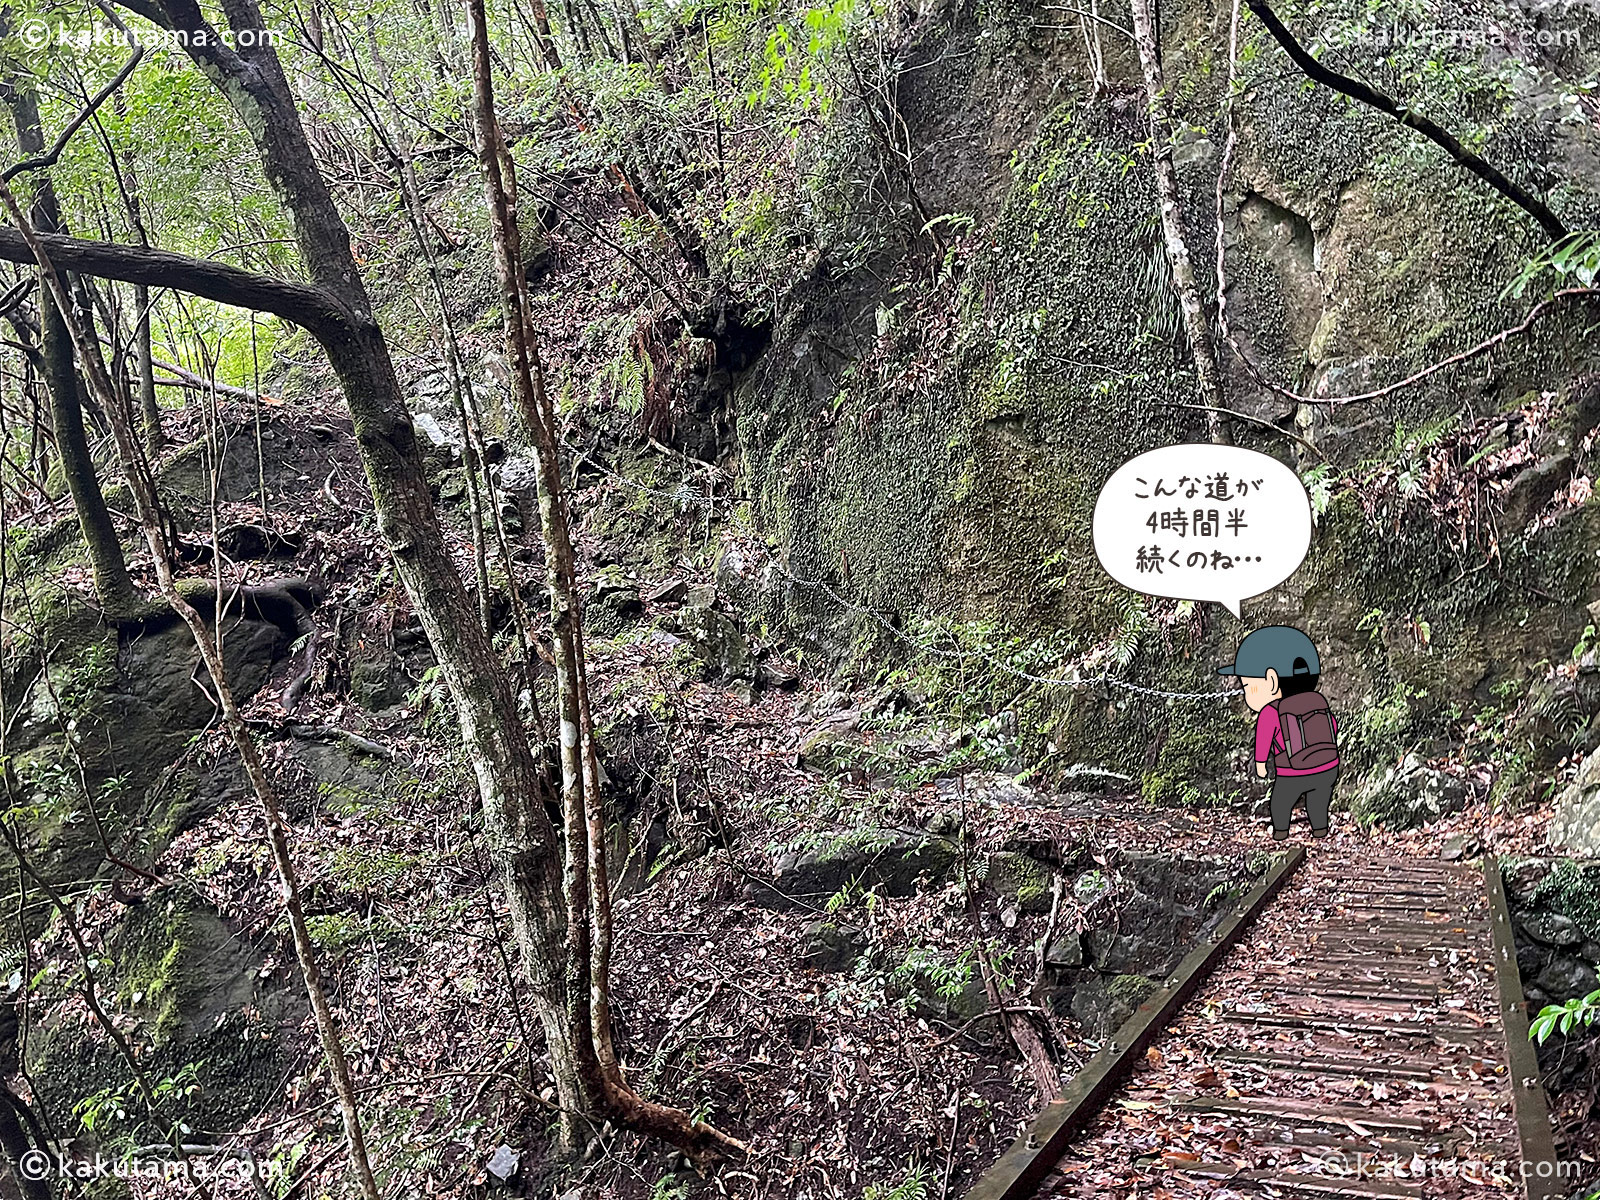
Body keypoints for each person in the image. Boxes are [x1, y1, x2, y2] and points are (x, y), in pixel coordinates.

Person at [1218, 626, 1340, 841]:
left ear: (1272, 681)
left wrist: (1261, 764)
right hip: (1328, 767)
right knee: (1317, 800)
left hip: (1293, 772)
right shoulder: (1317, 700)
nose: (1245, 692)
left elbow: (1263, 741)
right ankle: (1320, 829)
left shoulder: (1270, 711)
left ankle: (1280, 832)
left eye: (1248, 685)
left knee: (1281, 802)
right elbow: (1332, 726)